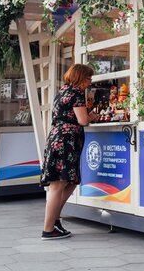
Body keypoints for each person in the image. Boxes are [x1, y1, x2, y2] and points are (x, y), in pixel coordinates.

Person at [40, 63, 99, 240]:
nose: (90, 82)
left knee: (70, 181)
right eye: (88, 78)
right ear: (80, 77)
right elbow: (82, 120)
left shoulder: (62, 93)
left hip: (58, 139)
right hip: (66, 142)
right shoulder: (76, 94)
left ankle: (55, 219)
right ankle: (48, 229)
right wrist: (92, 116)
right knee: (58, 184)